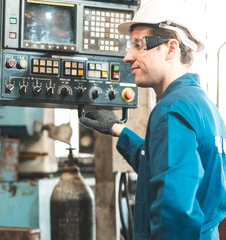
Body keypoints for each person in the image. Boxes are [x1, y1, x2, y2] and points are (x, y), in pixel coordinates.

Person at [79, 0, 226, 239]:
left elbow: (176, 211)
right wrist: (118, 129)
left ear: (170, 48)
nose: (128, 56)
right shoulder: (204, 107)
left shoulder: (173, 111)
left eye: (139, 45)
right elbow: (160, 165)